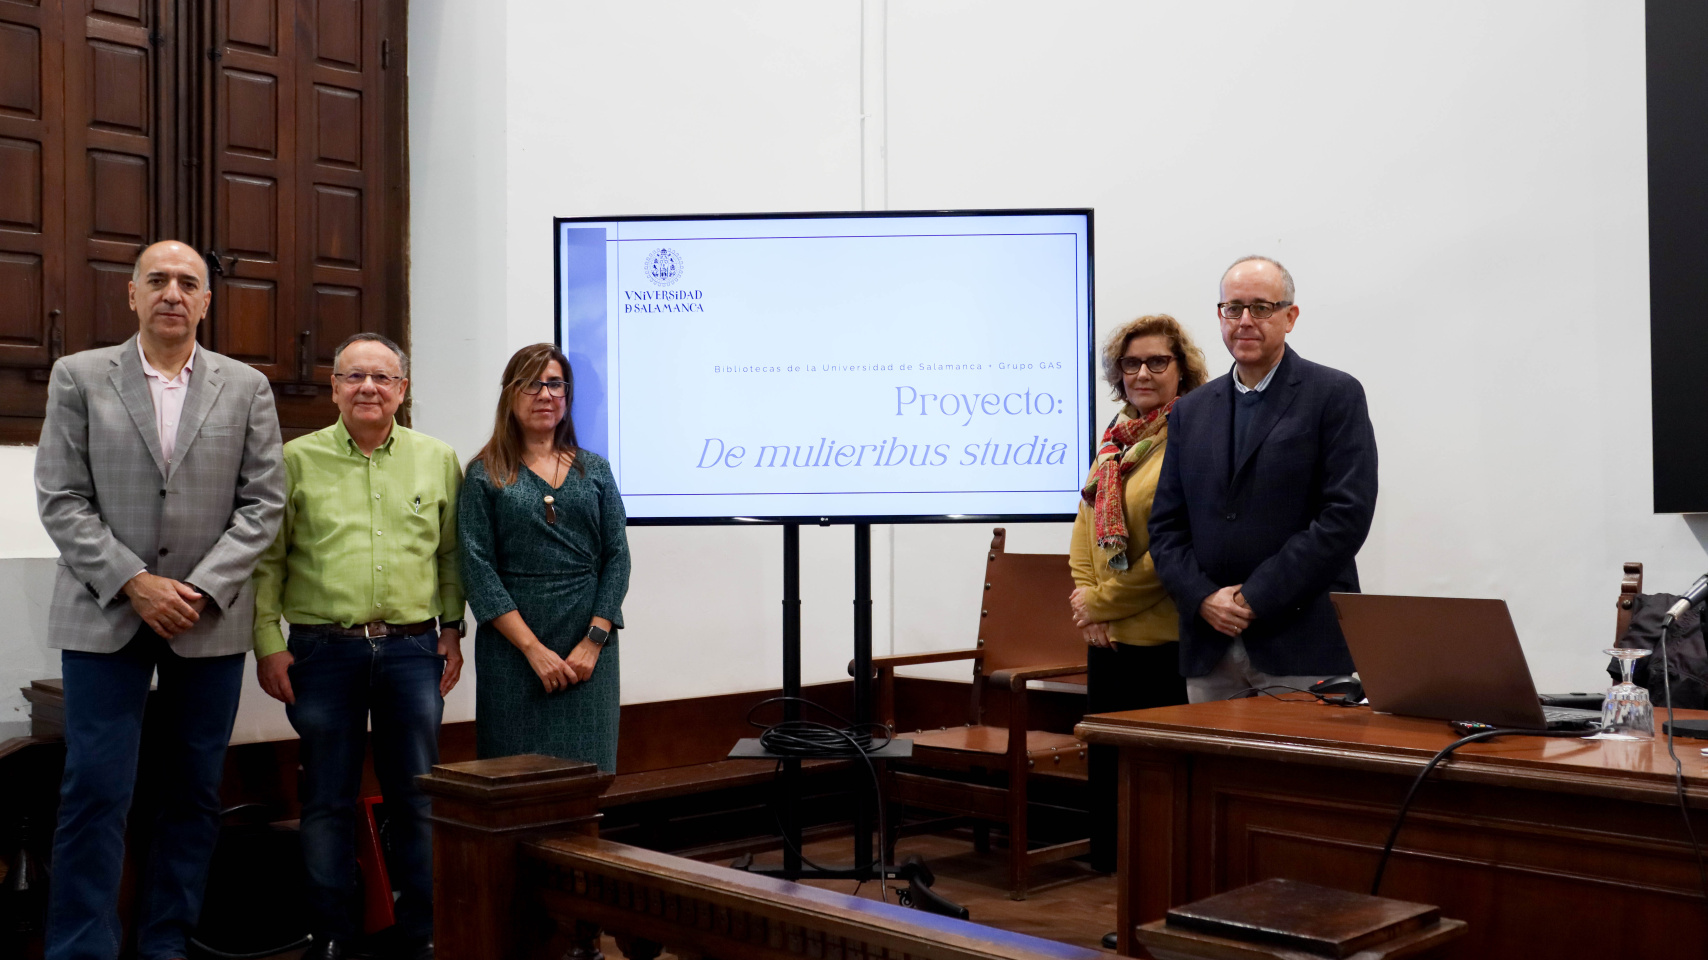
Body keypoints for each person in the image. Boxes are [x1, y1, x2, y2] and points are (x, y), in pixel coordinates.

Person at [35, 240, 285, 960]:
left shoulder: (246, 387)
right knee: (94, 792)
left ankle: (166, 944)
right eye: (159, 281)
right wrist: (133, 582)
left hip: (207, 621)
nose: (173, 292)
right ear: (132, 296)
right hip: (103, 611)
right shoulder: (79, 377)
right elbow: (61, 498)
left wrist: (201, 588)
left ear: (206, 301)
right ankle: (82, 947)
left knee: (191, 795)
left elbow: (263, 504)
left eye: (188, 282)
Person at [252, 333, 464, 960]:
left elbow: (449, 557)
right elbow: (268, 558)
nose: (368, 387)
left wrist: (453, 629)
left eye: (382, 377)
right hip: (322, 652)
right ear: (334, 387)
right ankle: (332, 940)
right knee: (326, 802)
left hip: (412, 652)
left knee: (419, 799)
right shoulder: (294, 459)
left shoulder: (437, 459)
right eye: (354, 376)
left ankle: (422, 938)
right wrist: (268, 640)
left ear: (403, 388)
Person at [1148, 256, 1378, 702]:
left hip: (1300, 642)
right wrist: (1202, 598)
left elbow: (1344, 518)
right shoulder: (1191, 411)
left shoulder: (1333, 395)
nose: (1245, 321)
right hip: (1209, 644)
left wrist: (1255, 596)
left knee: (1295, 774)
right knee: (1213, 774)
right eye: (1233, 309)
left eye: (1261, 308)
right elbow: (1166, 528)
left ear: (1290, 316)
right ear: (1220, 316)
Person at [1068, 314, 1208, 874]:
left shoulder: (1192, 436)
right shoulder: (1115, 442)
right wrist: (1087, 605)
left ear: (1182, 370)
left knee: (1158, 785)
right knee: (1109, 774)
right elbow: (1083, 535)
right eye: (1131, 363)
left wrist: (1101, 603)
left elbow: (1175, 551)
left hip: (1164, 644)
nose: (1143, 373)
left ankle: (1152, 891)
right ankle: (1115, 892)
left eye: (1157, 361)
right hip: (1108, 641)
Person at [458, 344, 629, 770]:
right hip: (513, 654)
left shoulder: (596, 470)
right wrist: (533, 650)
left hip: (587, 652)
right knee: (512, 779)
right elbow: (477, 569)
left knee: (587, 780)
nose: (545, 394)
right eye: (531, 384)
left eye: (555, 384)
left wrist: (594, 641)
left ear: (567, 396)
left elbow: (618, 558)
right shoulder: (484, 473)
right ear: (510, 395)